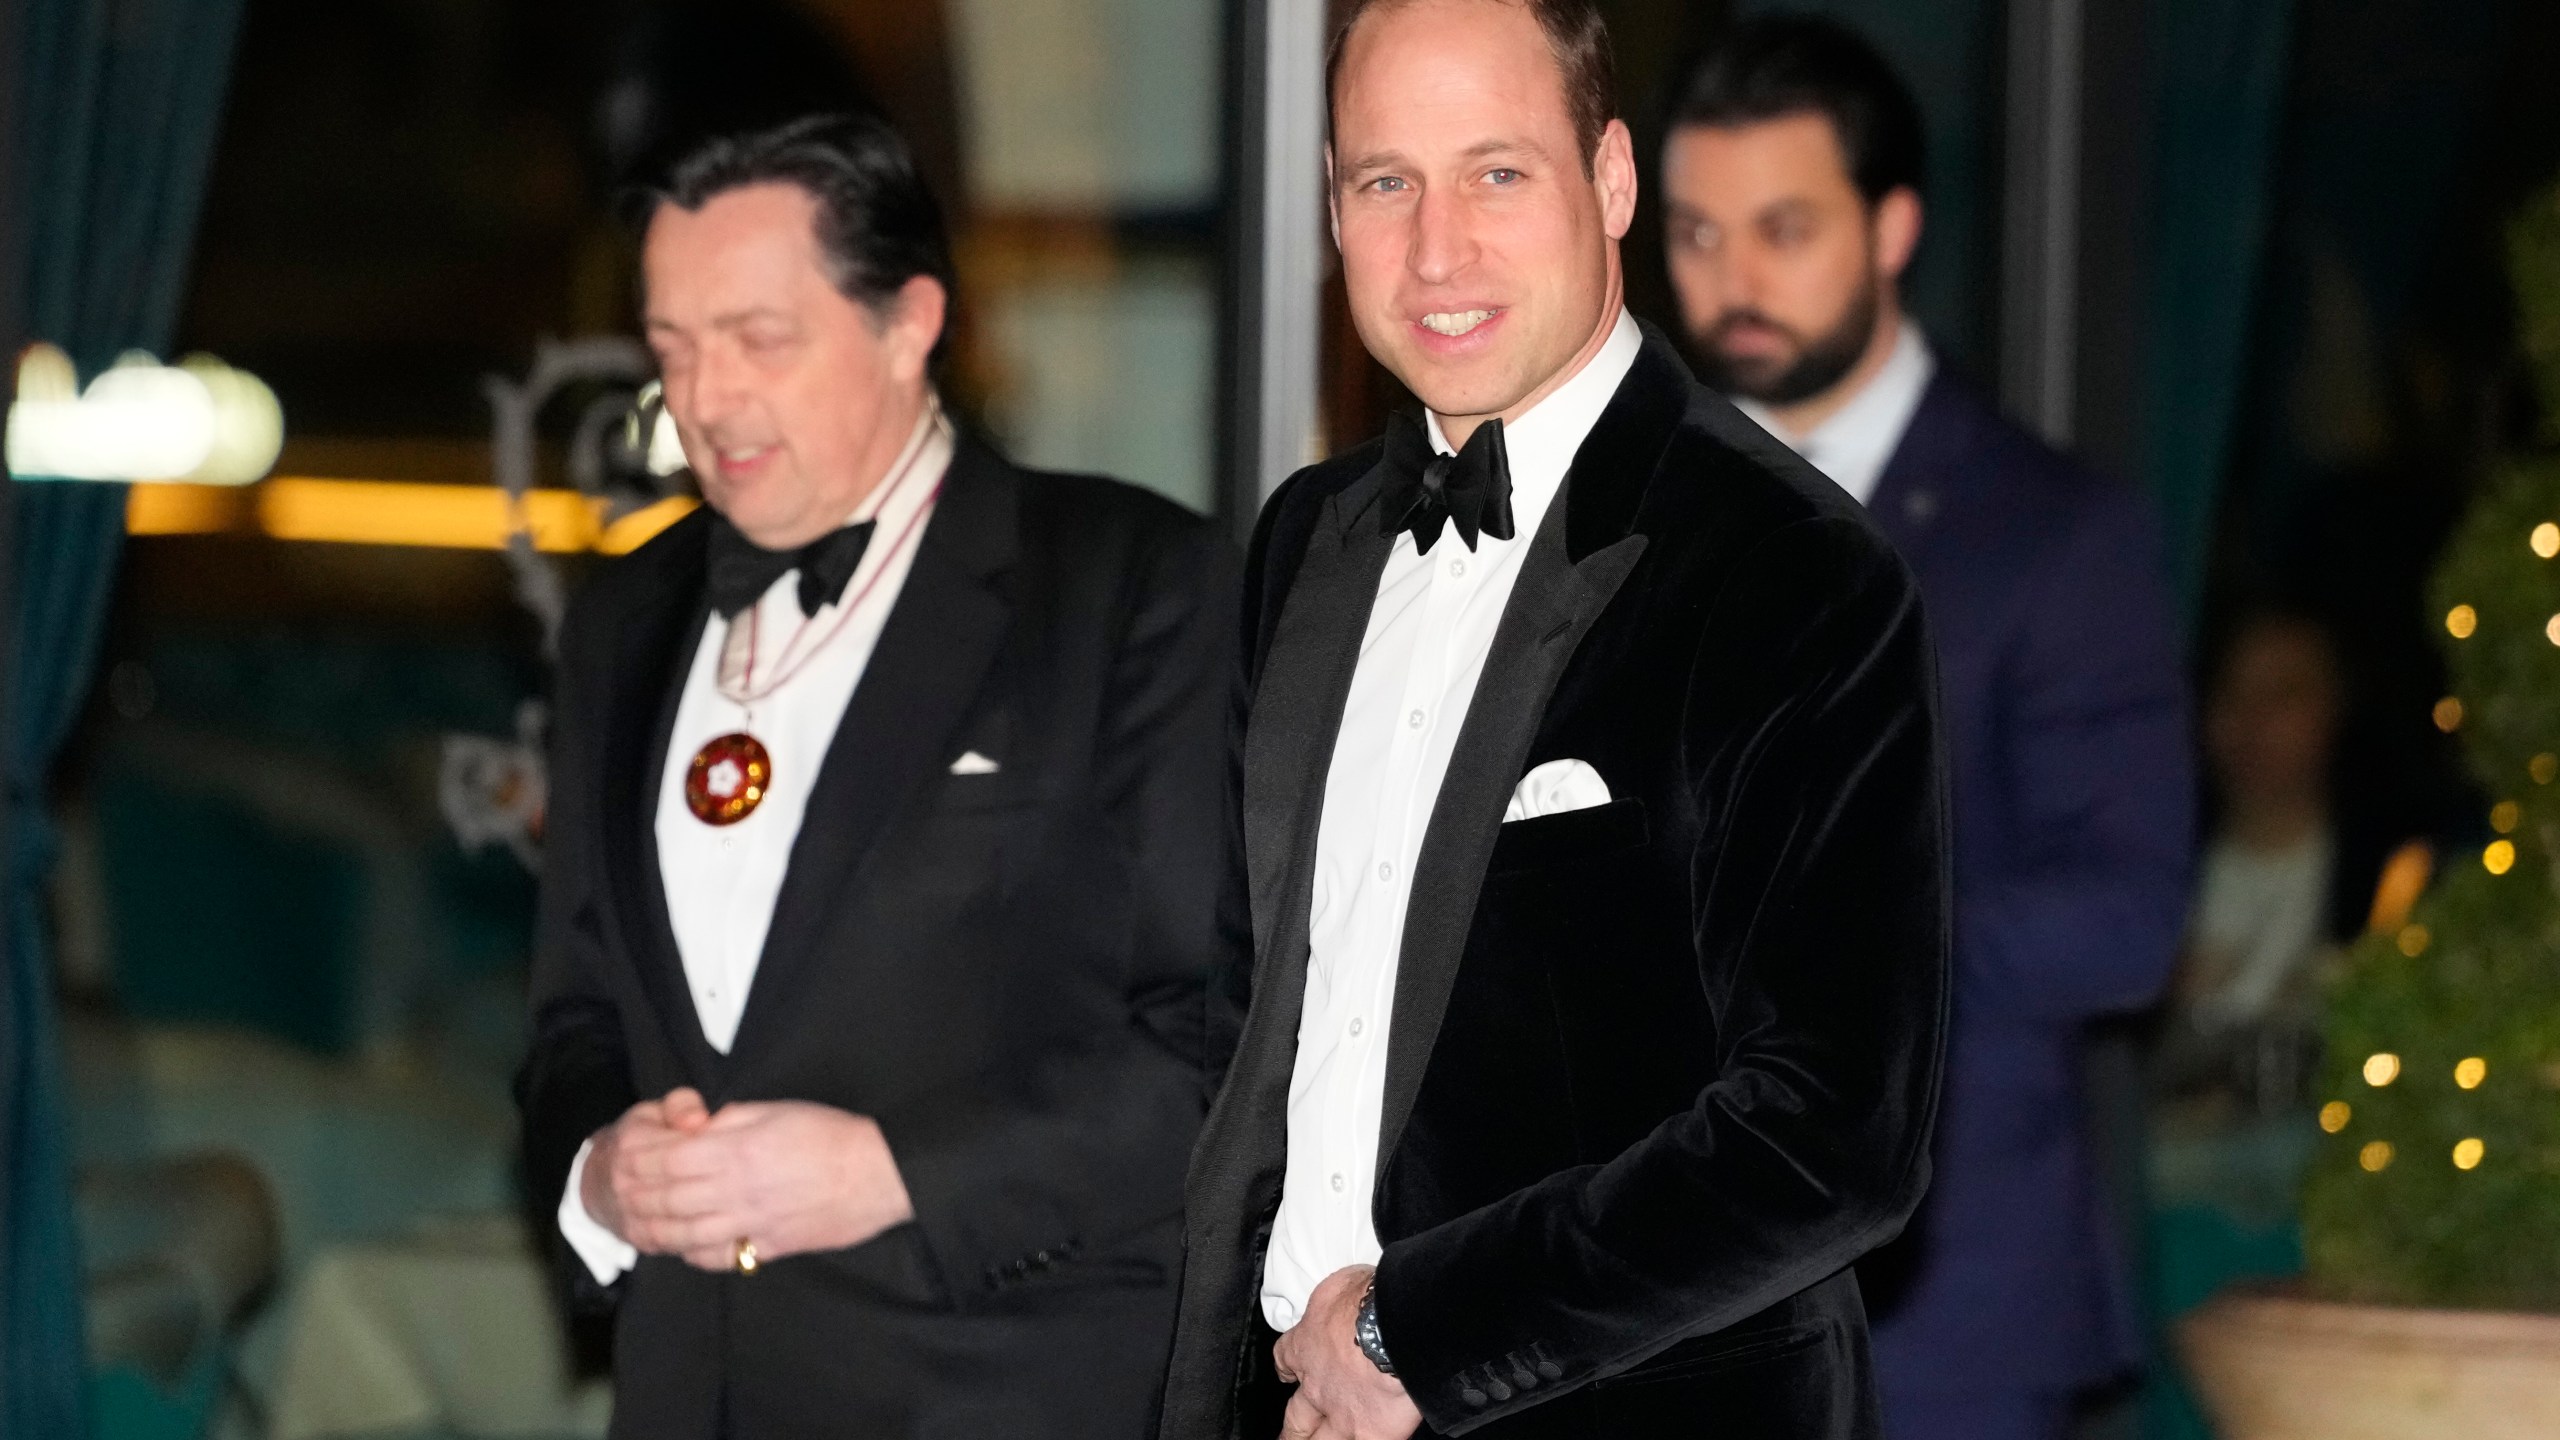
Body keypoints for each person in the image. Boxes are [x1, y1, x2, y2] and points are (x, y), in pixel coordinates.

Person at [1160, 2, 1950, 1437]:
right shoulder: (1306, 544)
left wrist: (1414, 1335)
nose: (1436, 248)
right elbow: (1243, 1028)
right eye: (1382, 183)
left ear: (1614, 182)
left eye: (1497, 173)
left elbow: (1836, 1133)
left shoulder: (1793, 574)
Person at [514, 113, 1236, 1440]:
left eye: (759, 340)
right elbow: (574, 1020)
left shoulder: (1132, 586)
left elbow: (1216, 1044)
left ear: (911, 324)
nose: (706, 399)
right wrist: (599, 1173)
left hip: (998, 1395)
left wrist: (896, 1174)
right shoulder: (625, 617)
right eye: (672, 347)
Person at [1659, 18, 2193, 1440]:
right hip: (1660, 1294)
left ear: (1892, 227)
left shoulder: (2054, 534)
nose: (1734, 281)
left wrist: (1827, 926)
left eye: (1784, 228)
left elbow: (2129, 916)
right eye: (1698, 233)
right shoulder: (1635, 513)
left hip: (1948, 1301)